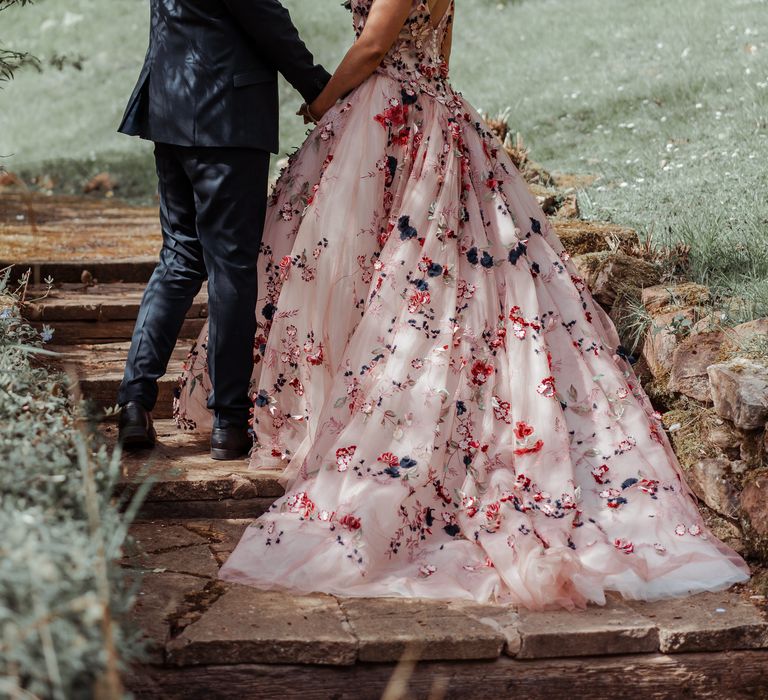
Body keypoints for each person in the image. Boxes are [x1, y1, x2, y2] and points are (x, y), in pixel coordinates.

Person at [177, 0, 751, 609]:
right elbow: (442, 52)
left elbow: (373, 46)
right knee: (369, 268)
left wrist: (322, 104)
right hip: (423, 109)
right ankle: (330, 407)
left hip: (390, 111)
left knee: (387, 271)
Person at [116, 0, 330, 460]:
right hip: (224, 117)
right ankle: (229, 424)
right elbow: (264, 18)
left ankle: (134, 401)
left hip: (171, 110)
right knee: (231, 268)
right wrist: (319, 88)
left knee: (178, 257)